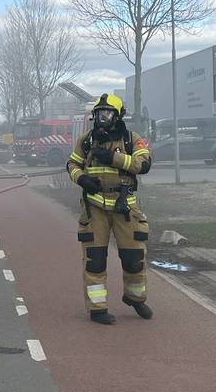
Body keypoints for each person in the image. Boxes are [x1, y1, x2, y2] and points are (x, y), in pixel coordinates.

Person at [65, 94, 154, 325]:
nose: (102, 118)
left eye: (107, 114)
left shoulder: (131, 139)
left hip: (124, 208)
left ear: (118, 115)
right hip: (95, 209)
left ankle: (135, 298)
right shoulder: (86, 140)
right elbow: (72, 163)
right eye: (99, 114)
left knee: (134, 257)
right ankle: (97, 309)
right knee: (95, 260)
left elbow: (144, 164)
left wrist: (114, 158)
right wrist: (82, 178)